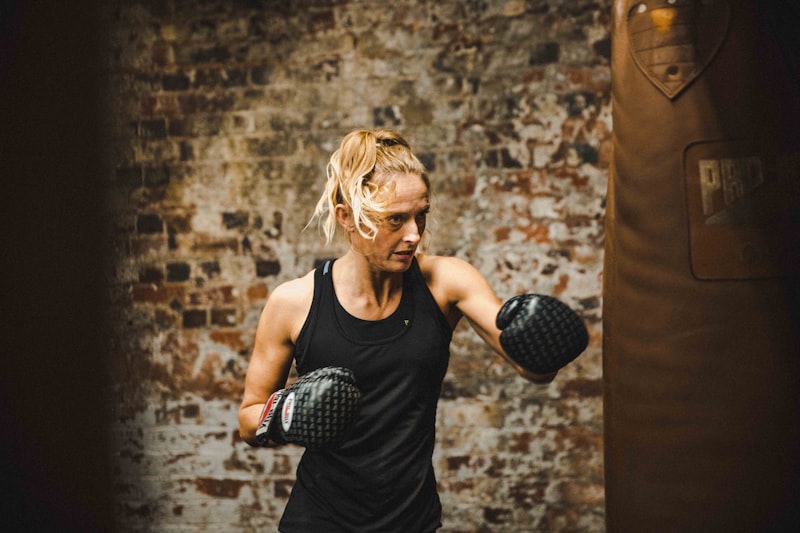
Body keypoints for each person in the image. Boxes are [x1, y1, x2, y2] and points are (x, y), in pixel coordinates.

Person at [238, 128, 576, 532]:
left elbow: (533, 369)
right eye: (394, 220)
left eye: (421, 216)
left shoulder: (447, 282)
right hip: (318, 521)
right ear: (346, 216)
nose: (414, 234)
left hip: (412, 521)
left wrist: (542, 345)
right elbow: (248, 418)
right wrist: (286, 416)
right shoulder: (293, 303)